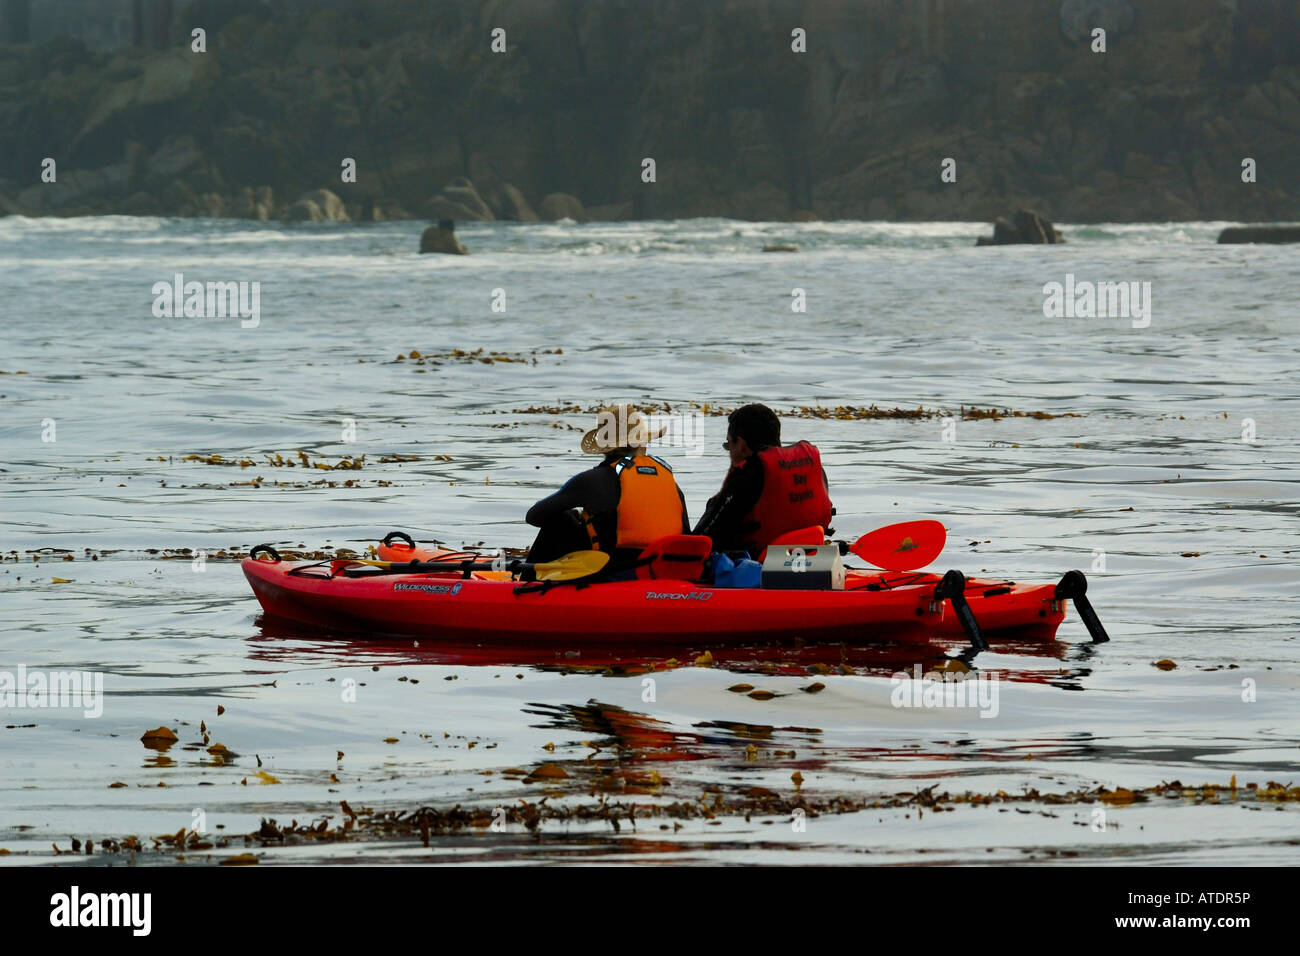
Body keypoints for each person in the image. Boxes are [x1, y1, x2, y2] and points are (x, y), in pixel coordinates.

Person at [526, 404, 690, 566]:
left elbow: (534, 516)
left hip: (610, 572)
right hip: (663, 571)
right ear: (641, 443)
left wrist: (575, 516)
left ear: (605, 448)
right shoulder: (670, 481)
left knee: (561, 519)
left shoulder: (590, 481)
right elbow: (686, 534)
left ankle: (526, 586)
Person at [693, 403, 833, 556]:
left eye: (729, 444)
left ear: (740, 444)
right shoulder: (815, 470)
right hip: (811, 559)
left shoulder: (746, 478)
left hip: (755, 567)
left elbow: (701, 540)